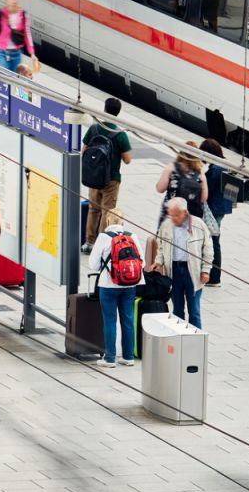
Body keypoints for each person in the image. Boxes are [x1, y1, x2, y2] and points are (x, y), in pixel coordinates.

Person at [147, 198, 212, 328]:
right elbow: (161, 246)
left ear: (185, 212)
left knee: (194, 311)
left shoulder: (198, 225)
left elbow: (208, 248)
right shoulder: (166, 225)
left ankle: (196, 340)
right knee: (177, 309)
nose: (173, 218)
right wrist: (158, 262)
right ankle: (178, 338)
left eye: (176, 215)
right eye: (171, 215)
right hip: (174, 271)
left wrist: (206, 270)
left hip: (192, 272)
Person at [80, 98, 132, 253]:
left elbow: (84, 151)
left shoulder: (94, 129)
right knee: (107, 212)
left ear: (105, 108)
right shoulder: (120, 135)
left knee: (93, 209)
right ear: (118, 112)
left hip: (94, 177)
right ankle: (102, 245)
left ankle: (89, 242)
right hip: (111, 179)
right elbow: (128, 160)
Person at [90, 214, 141, 368]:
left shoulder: (104, 237)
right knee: (128, 320)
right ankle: (128, 356)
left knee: (110, 321)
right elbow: (141, 261)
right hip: (129, 285)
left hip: (108, 285)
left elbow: (93, 264)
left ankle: (110, 358)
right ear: (123, 221)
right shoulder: (132, 236)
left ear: (107, 221)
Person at [199, 139, 228, 285]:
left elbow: (206, 189)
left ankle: (214, 276)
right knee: (214, 240)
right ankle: (214, 275)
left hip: (214, 209)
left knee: (213, 241)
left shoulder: (215, 170)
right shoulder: (222, 165)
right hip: (219, 208)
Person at [155, 147, 207, 225]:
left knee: (165, 235)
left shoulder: (172, 167)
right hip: (190, 217)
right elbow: (203, 198)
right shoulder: (200, 173)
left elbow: (160, 189)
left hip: (170, 214)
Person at [0, 0, 35, 72]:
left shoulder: (24, 15)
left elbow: (27, 34)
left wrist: (32, 53)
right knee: (4, 77)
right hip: (2, 53)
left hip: (17, 54)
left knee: (16, 79)